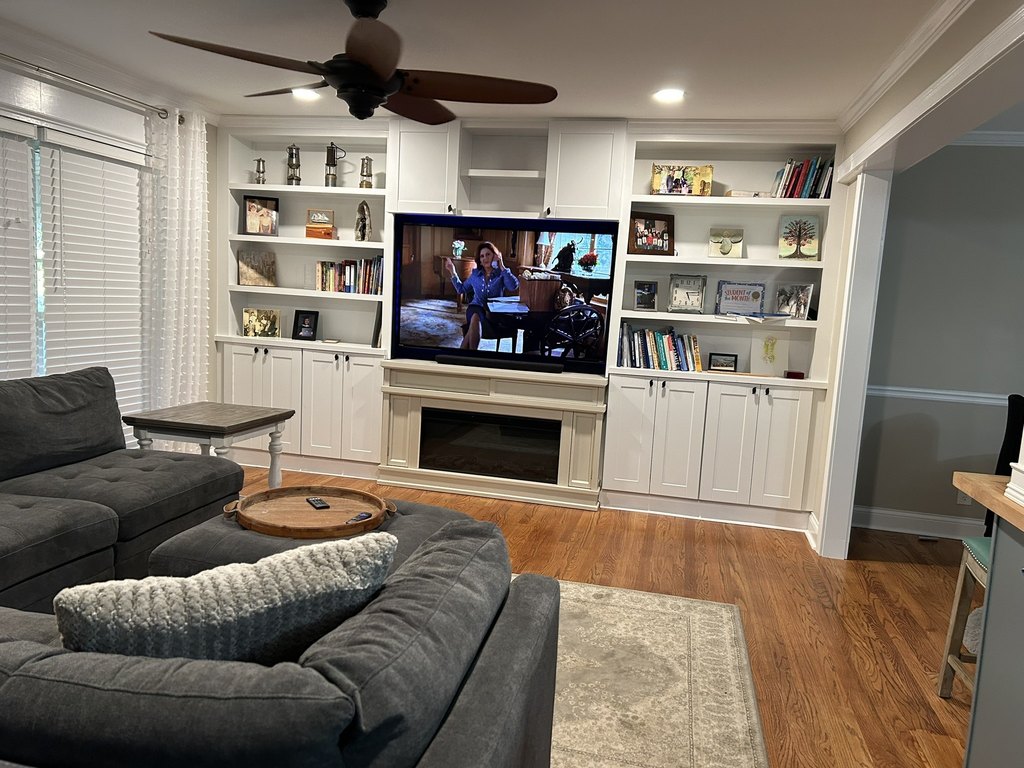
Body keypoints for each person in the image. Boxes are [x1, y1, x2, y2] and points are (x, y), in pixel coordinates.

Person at [444, 241, 519, 350]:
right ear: (479, 260)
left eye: (488, 254)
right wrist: (452, 271)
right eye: (482, 256)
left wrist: (502, 266)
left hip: (494, 313)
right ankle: (474, 355)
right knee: (475, 316)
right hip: (476, 307)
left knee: (471, 329)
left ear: (495, 256)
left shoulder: (501, 274)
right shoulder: (475, 275)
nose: (485, 258)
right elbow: (461, 289)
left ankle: (462, 356)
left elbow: (513, 286)